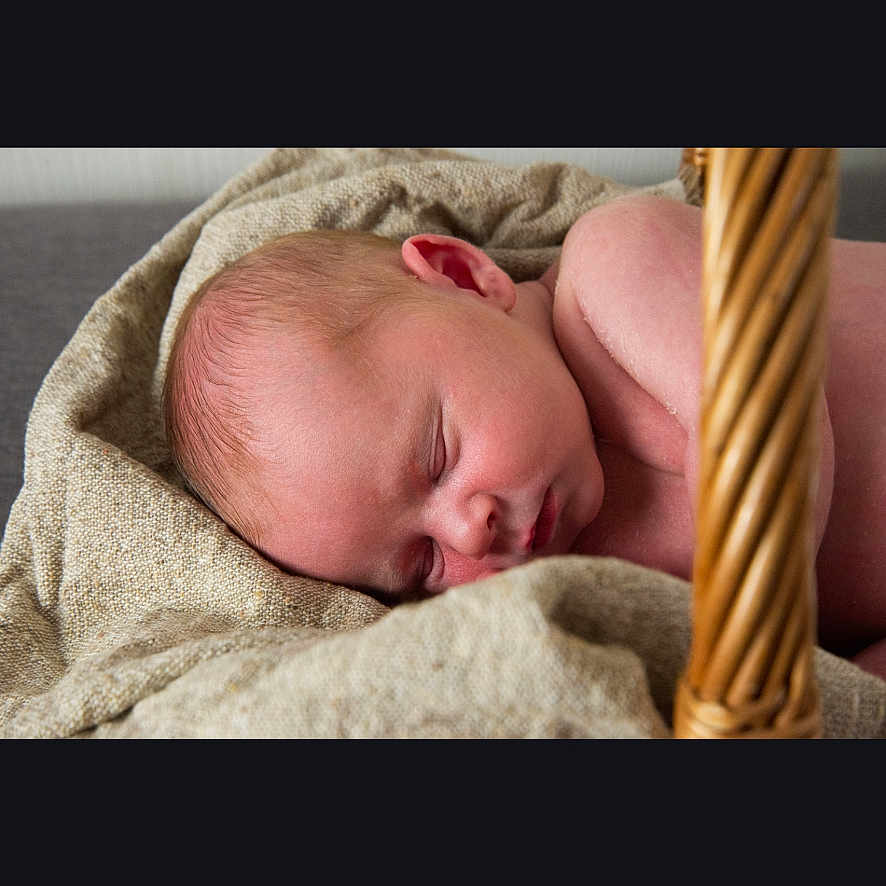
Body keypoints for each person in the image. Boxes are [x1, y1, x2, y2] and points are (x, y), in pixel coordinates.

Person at [163, 193, 886, 678]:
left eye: (437, 458)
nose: (469, 535)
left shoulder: (618, 267)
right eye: (423, 565)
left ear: (464, 276)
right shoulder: (575, 585)